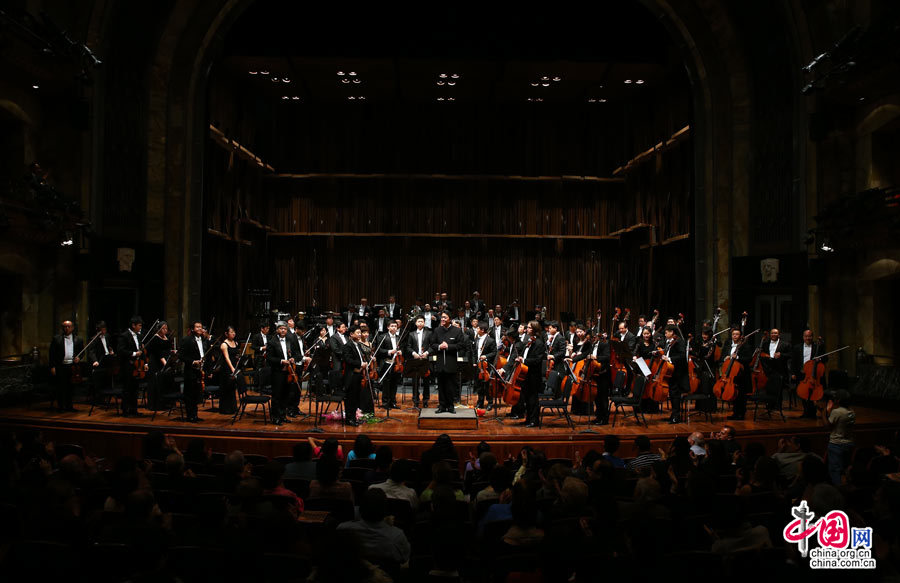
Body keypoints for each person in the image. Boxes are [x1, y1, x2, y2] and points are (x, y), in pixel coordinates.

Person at [337, 488, 411, 566]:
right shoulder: (397, 537)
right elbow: (405, 557)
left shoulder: (343, 530)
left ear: (360, 508)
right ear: (385, 511)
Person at [176, 320, 210, 423]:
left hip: (199, 371)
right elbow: (180, 356)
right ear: (192, 329)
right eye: (197, 327)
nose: (200, 328)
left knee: (196, 394)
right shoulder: (187, 340)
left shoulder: (203, 340)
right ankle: (190, 416)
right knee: (189, 394)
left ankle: (195, 415)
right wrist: (193, 362)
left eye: (201, 327)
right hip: (190, 371)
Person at [430, 312, 464, 414]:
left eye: (445, 317)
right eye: (442, 317)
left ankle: (450, 406)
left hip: (452, 363)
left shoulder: (457, 331)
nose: (442, 319)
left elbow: (461, 345)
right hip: (440, 363)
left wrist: (448, 346)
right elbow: (432, 344)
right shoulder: (437, 330)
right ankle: (442, 406)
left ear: (450, 319)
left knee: (451, 386)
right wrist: (440, 346)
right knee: (441, 386)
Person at [791, 329, 828, 419]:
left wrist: (820, 359)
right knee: (803, 394)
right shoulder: (797, 347)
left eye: (810, 336)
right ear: (803, 337)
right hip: (802, 374)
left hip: (814, 375)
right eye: (806, 336)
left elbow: (826, 359)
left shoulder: (817, 347)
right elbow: (793, 361)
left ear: (812, 337)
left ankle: (812, 412)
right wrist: (793, 373)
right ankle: (806, 412)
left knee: (813, 394)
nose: (808, 338)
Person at [49, 320, 84, 412]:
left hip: (72, 367)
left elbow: (82, 352)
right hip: (60, 366)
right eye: (65, 327)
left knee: (71, 387)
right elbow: (51, 354)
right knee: (61, 387)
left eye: (69, 326)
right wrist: (52, 367)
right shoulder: (56, 339)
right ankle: (61, 407)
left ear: (72, 328)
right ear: (62, 328)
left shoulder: (78, 339)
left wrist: (79, 358)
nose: (67, 328)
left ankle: (69, 406)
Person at [719, 327, 754, 420]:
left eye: (737, 334)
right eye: (733, 334)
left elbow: (749, 359)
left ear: (740, 336)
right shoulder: (728, 345)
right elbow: (722, 356)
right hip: (731, 374)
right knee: (734, 395)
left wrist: (737, 357)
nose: (735, 336)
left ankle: (741, 413)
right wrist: (725, 358)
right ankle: (735, 413)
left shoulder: (745, 346)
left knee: (741, 395)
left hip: (742, 375)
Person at [823, 390, 855, 485]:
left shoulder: (837, 412)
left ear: (839, 400)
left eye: (836, 398)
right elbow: (837, 423)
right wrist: (830, 412)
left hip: (837, 445)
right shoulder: (851, 412)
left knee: (835, 470)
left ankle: (838, 491)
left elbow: (827, 426)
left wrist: (824, 411)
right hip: (849, 444)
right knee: (845, 468)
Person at [266, 321, 293, 426]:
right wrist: (282, 361)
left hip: (288, 372)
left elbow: (291, 353)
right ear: (277, 330)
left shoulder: (289, 340)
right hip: (277, 372)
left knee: (286, 394)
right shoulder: (272, 341)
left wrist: (291, 358)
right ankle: (275, 417)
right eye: (281, 328)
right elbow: (269, 358)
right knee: (277, 395)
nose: (283, 330)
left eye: (285, 329)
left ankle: (282, 415)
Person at [117, 316, 146, 417]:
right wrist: (134, 353)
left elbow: (142, 350)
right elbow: (120, 351)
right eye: (139, 325)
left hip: (137, 366)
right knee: (127, 389)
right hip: (127, 366)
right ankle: (125, 410)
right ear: (133, 325)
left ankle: (134, 410)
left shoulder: (139, 336)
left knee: (135, 388)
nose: (140, 327)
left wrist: (145, 362)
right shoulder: (124, 336)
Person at [661, 324, 688, 424]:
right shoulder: (668, 342)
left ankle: (676, 417)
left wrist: (669, 359)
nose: (665, 334)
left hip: (678, 373)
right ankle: (673, 415)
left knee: (675, 395)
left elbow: (682, 356)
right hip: (670, 372)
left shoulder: (679, 342)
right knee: (672, 395)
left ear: (672, 332)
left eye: (667, 332)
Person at [144, 321, 173, 411]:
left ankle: (166, 403)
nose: (165, 330)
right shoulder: (155, 338)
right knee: (156, 383)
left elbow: (167, 349)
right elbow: (158, 353)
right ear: (159, 329)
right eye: (163, 328)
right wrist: (165, 364)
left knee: (164, 382)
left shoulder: (166, 337)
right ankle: (155, 405)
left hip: (165, 360)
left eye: (166, 328)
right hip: (156, 363)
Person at [342, 325, 366, 425]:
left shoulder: (358, 345)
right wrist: (360, 364)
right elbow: (348, 360)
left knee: (356, 398)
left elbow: (361, 357)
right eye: (358, 333)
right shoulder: (347, 346)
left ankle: (354, 417)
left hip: (358, 375)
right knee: (350, 399)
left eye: (360, 333)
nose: (360, 334)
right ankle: (349, 419)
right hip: (351, 376)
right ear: (351, 334)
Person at [407, 316, 432, 408]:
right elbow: (408, 347)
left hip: (425, 360)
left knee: (426, 381)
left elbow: (432, 346)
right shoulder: (411, 334)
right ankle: (415, 400)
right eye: (419, 321)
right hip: (415, 359)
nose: (420, 323)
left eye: (422, 321)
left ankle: (426, 400)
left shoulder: (429, 333)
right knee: (415, 381)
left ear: (424, 323)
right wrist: (414, 353)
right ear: (416, 323)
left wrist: (426, 353)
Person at [376, 321, 402, 409]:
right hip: (387, 362)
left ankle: (393, 402)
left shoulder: (398, 337)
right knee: (386, 383)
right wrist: (389, 352)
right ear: (388, 327)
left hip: (396, 363)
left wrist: (400, 351)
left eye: (395, 326)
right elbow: (379, 350)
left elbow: (401, 348)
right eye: (392, 326)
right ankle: (385, 402)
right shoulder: (383, 337)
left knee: (394, 383)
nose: (394, 328)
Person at [472, 321, 498, 409]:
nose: (476, 329)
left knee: (487, 385)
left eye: (478, 328)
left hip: (487, 366)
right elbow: (474, 352)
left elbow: (494, 352)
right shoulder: (476, 339)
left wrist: (486, 356)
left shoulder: (490, 340)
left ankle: (490, 402)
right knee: (479, 385)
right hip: (478, 366)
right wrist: (474, 362)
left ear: (482, 330)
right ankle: (480, 402)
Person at [217, 325, 240, 415]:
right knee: (226, 388)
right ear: (226, 334)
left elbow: (236, 356)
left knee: (232, 388)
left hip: (234, 367)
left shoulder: (236, 343)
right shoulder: (224, 344)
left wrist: (238, 363)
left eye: (234, 332)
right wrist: (232, 369)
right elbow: (227, 358)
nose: (233, 333)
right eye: (231, 332)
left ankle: (233, 408)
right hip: (226, 368)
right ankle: (225, 409)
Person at [544, 321, 567, 399]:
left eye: (550, 328)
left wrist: (553, 356)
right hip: (553, 363)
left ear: (555, 328)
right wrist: (548, 343)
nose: (549, 330)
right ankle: (555, 397)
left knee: (558, 382)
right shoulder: (553, 337)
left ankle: (557, 400)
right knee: (554, 382)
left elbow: (562, 352)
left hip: (558, 364)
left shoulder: (560, 338)